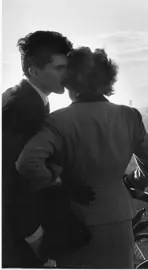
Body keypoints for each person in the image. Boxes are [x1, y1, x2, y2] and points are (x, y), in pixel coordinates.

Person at [16, 46, 148, 268]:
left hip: (75, 221)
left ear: (69, 81)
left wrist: (58, 181)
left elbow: (27, 163)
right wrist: (129, 182)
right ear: (108, 81)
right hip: (119, 218)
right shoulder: (128, 116)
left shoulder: (59, 121)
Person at [2, 30, 73, 268]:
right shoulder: (24, 109)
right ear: (34, 70)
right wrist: (36, 239)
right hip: (20, 238)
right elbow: (15, 179)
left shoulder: (17, 98)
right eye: (59, 68)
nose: (67, 74)